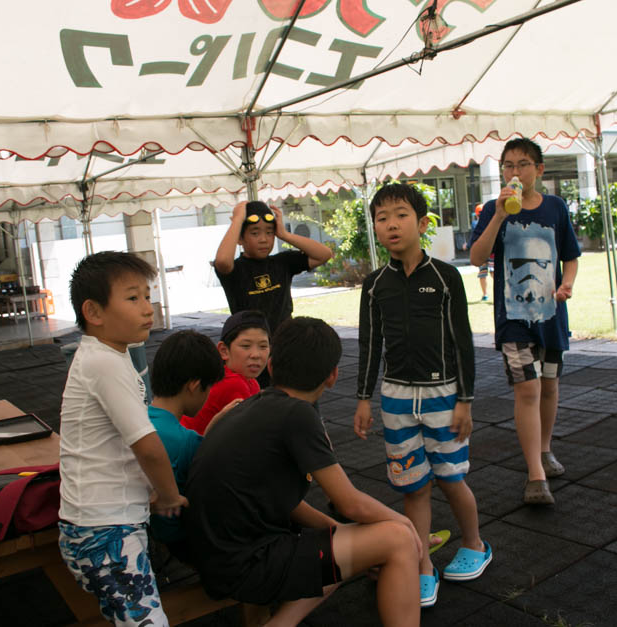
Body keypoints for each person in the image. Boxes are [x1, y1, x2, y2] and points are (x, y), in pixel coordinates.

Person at [184, 317, 422, 627]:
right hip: (244, 564)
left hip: (213, 555)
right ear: (333, 376)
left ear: (272, 365)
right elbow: (351, 503)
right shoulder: (298, 415)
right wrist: (406, 526)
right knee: (398, 539)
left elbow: (284, 499)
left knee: (344, 540)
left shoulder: (257, 404)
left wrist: (339, 530)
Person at [354, 183, 491, 608]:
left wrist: (465, 400)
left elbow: (463, 343)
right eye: (382, 217)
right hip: (395, 398)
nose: (391, 224)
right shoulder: (375, 284)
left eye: (400, 214)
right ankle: (423, 568)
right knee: (413, 485)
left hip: (444, 395)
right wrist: (363, 397)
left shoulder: (446, 277)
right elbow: (369, 344)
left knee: (451, 478)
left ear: (423, 222)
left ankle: (475, 545)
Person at [58, 251, 187, 627]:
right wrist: (168, 495)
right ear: (94, 313)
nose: (147, 308)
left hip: (100, 524)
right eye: (133, 298)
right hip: (104, 530)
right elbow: (148, 448)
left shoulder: (106, 357)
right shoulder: (104, 364)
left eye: (147, 296)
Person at [469, 137, 581, 506]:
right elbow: (476, 258)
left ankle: (545, 450)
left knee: (548, 386)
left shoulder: (555, 208)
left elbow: (570, 256)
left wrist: (567, 284)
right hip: (513, 319)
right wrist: (500, 214)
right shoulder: (492, 209)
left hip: (550, 316)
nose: (514, 172)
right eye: (508, 166)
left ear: (539, 170)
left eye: (522, 165)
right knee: (527, 389)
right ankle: (534, 473)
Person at [214, 200, 333, 387]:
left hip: (286, 347)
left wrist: (284, 234)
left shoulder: (282, 262)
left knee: (295, 395)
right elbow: (221, 261)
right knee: (259, 402)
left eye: (269, 232)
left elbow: (324, 254)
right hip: (253, 353)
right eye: (255, 233)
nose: (264, 239)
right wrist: (237, 221)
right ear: (240, 238)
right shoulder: (235, 270)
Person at [147, 329, 226, 549]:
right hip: (176, 539)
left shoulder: (137, 421)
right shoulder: (186, 441)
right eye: (208, 387)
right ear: (194, 386)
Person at [180, 310, 269, 435]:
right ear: (224, 351)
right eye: (245, 346)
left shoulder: (250, 382)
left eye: (263, 346)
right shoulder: (233, 384)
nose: (256, 355)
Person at [471, 204, 495, 301]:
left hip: (484, 253)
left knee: (483, 273)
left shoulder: (475, 224)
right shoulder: (490, 222)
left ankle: (485, 294)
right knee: (492, 273)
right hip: (491, 253)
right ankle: (487, 294)